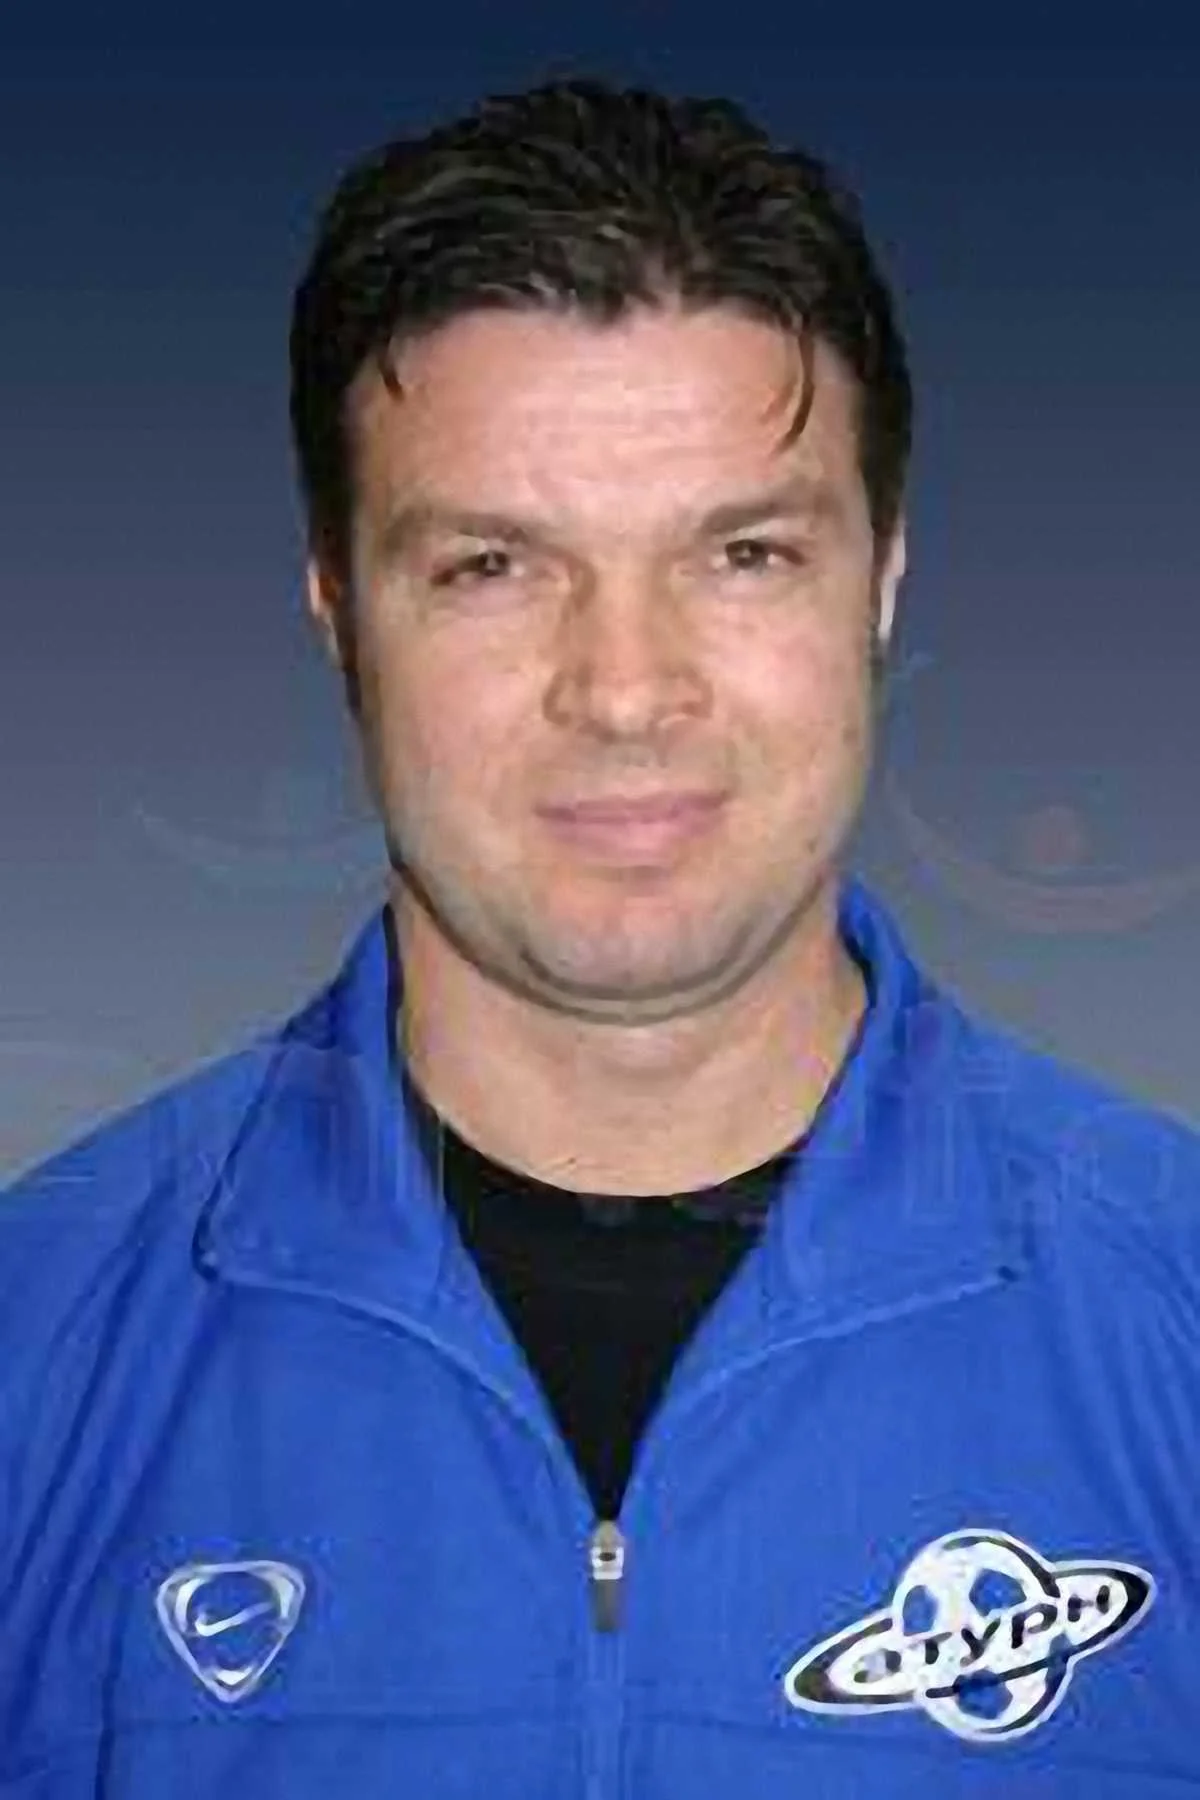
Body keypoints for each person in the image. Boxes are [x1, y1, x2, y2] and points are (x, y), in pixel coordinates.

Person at [2, 75, 1197, 1799]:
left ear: (882, 581)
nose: (626, 691)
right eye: (493, 566)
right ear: (337, 609)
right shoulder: (39, 1343)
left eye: (744, 554)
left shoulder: (1174, 1309)